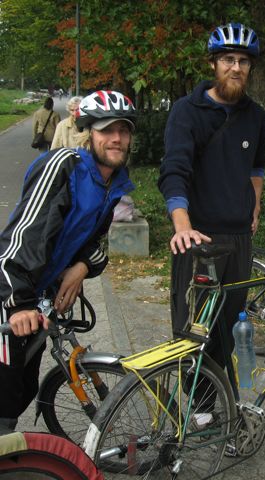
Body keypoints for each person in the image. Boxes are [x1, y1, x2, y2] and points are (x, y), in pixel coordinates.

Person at [0, 90, 136, 430]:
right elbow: (23, 238)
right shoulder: (64, 167)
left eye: (124, 130)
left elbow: (94, 244)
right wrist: (19, 303)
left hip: (38, 298)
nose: (116, 138)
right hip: (11, 293)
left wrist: (82, 266)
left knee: (23, 388)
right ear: (90, 132)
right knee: (4, 392)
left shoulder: (112, 183)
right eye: (107, 130)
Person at [157, 22, 265, 369]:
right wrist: (182, 226)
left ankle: (217, 398)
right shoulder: (186, 111)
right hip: (199, 236)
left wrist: (255, 207)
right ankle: (195, 407)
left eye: (243, 61)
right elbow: (174, 171)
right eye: (228, 59)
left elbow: (257, 167)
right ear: (213, 64)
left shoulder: (257, 116)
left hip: (238, 238)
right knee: (193, 328)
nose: (236, 67)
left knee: (230, 327)